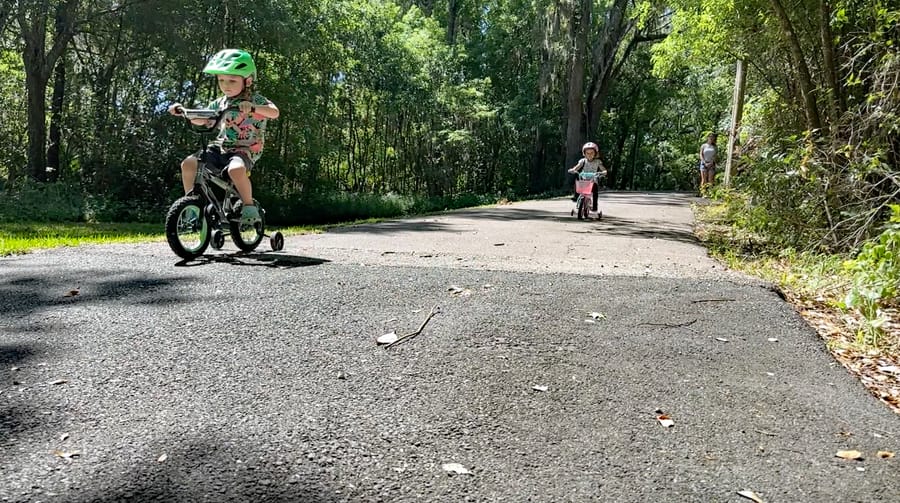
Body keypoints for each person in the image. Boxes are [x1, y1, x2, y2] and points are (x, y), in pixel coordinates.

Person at [169, 49, 280, 224]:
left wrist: (252, 107)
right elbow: (204, 119)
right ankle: (190, 205)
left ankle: (249, 205)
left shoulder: (256, 100)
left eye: (232, 80)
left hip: (245, 149)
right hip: (221, 147)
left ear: (248, 81)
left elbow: (274, 113)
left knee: (235, 169)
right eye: (221, 80)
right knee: (188, 163)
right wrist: (184, 112)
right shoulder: (219, 102)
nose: (225, 85)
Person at [568, 142, 607, 210]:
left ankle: (595, 206)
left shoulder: (598, 161)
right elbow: (578, 166)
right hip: (584, 180)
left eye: (592, 153)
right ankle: (576, 196)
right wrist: (573, 169)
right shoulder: (583, 161)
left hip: (593, 180)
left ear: (595, 153)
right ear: (584, 154)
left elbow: (602, 168)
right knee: (577, 183)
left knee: (595, 191)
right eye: (587, 153)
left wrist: (604, 172)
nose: (589, 155)